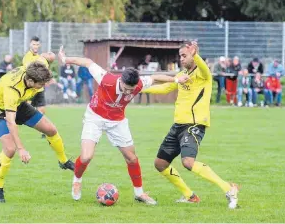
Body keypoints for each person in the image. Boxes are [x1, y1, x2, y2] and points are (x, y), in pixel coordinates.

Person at [57, 46, 190, 205]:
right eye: (126, 89)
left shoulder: (139, 84)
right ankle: (77, 180)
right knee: (86, 156)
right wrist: (65, 59)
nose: (129, 92)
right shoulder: (106, 79)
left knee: (132, 158)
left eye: (131, 90)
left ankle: (139, 194)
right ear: (121, 81)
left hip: (117, 121)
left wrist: (176, 79)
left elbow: (154, 77)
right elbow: (87, 62)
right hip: (95, 117)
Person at [143, 41, 239, 209]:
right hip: (178, 126)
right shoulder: (182, 74)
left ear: (193, 55)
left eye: (184, 55)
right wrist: (140, 89)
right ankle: (190, 196)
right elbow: (166, 88)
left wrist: (195, 54)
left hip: (194, 125)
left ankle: (229, 188)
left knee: (188, 162)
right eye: (180, 56)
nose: (181, 59)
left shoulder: (203, 74)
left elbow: (202, 67)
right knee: (160, 164)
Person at [0, 61, 74, 203]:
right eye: (41, 84)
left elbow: (47, 58)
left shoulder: (32, 70)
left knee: (51, 129)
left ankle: (63, 161)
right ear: (30, 81)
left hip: (19, 105)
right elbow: (11, 121)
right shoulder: (12, 90)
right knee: (10, 149)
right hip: (0, 110)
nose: (43, 86)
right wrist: (21, 149)